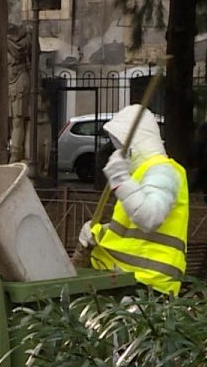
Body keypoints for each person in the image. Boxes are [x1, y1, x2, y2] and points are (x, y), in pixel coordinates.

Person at [72, 104, 189, 296]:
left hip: (144, 287)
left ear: (134, 142)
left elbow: (150, 217)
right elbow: (132, 234)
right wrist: (99, 233)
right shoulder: (141, 175)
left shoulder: (164, 170)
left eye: (119, 144)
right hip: (126, 281)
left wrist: (121, 181)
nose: (117, 150)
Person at [190, 122, 207, 204]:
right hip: (201, 165)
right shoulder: (200, 142)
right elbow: (196, 154)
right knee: (196, 181)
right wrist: (196, 165)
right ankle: (190, 194)